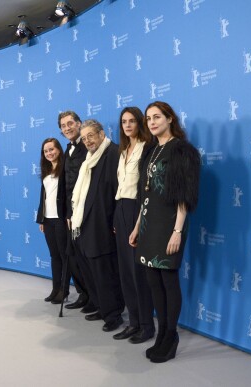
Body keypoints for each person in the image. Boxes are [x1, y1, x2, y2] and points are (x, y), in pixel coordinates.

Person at [129, 101, 200, 363]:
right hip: (149, 224)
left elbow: (184, 195)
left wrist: (177, 231)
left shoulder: (182, 150)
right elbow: (144, 193)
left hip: (170, 224)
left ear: (170, 119)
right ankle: (161, 334)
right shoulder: (151, 151)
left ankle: (171, 336)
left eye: (157, 117)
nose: (152, 122)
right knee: (153, 281)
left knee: (168, 281)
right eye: (148, 118)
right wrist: (137, 226)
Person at [71, 119, 124, 332]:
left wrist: (114, 223)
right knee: (93, 270)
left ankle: (114, 314)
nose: (87, 141)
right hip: (86, 223)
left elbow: (118, 192)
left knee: (106, 272)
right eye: (84, 138)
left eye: (90, 136)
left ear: (102, 134)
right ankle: (103, 307)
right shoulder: (89, 158)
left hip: (104, 225)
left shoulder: (113, 153)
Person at [113, 107, 156, 344]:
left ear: (140, 123)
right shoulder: (122, 151)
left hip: (137, 211)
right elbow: (119, 188)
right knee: (125, 272)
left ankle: (147, 326)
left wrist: (139, 222)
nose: (127, 125)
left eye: (132, 121)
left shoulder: (146, 149)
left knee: (138, 273)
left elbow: (144, 189)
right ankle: (134, 323)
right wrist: (115, 219)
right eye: (123, 122)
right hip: (120, 209)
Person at [58, 111, 96, 310]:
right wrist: (67, 214)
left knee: (88, 258)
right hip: (70, 215)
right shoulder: (67, 151)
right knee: (74, 258)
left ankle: (95, 298)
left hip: (87, 213)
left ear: (79, 124)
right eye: (63, 125)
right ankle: (84, 294)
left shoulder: (89, 148)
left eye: (70, 123)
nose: (67, 128)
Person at [36, 138, 67, 303]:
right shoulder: (46, 170)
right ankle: (55, 288)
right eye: (46, 151)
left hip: (61, 219)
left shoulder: (65, 168)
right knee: (54, 256)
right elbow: (44, 197)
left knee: (64, 256)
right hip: (48, 220)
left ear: (59, 150)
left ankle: (64, 290)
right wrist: (41, 219)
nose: (49, 153)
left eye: (51, 149)